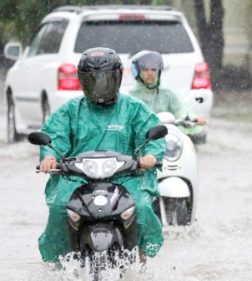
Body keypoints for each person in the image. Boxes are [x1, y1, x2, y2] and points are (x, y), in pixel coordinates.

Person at [37, 47, 166, 262]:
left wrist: (150, 156)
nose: (99, 85)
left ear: (117, 78)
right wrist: (49, 157)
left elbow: (152, 134)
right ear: (82, 80)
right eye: (93, 79)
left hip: (126, 177)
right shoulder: (70, 110)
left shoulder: (133, 108)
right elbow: (53, 136)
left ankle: (142, 258)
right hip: (77, 178)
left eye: (105, 79)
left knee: (141, 207)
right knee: (61, 208)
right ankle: (57, 265)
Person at [128, 50, 208, 130]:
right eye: (145, 69)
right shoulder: (130, 97)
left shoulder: (167, 94)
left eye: (154, 69)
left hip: (164, 138)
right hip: (137, 139)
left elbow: (181, 112)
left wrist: (193, 120)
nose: (150, 73)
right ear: (136, 71)